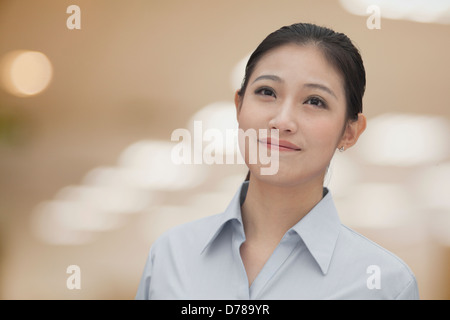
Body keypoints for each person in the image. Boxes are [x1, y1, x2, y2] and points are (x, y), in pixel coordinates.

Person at [135, 22, 419, 299]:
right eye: (267, 92)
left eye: (315, 101)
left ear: (349, 132)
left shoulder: (385, 285)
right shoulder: (170, 256)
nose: (282, 121)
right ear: (239, 106)